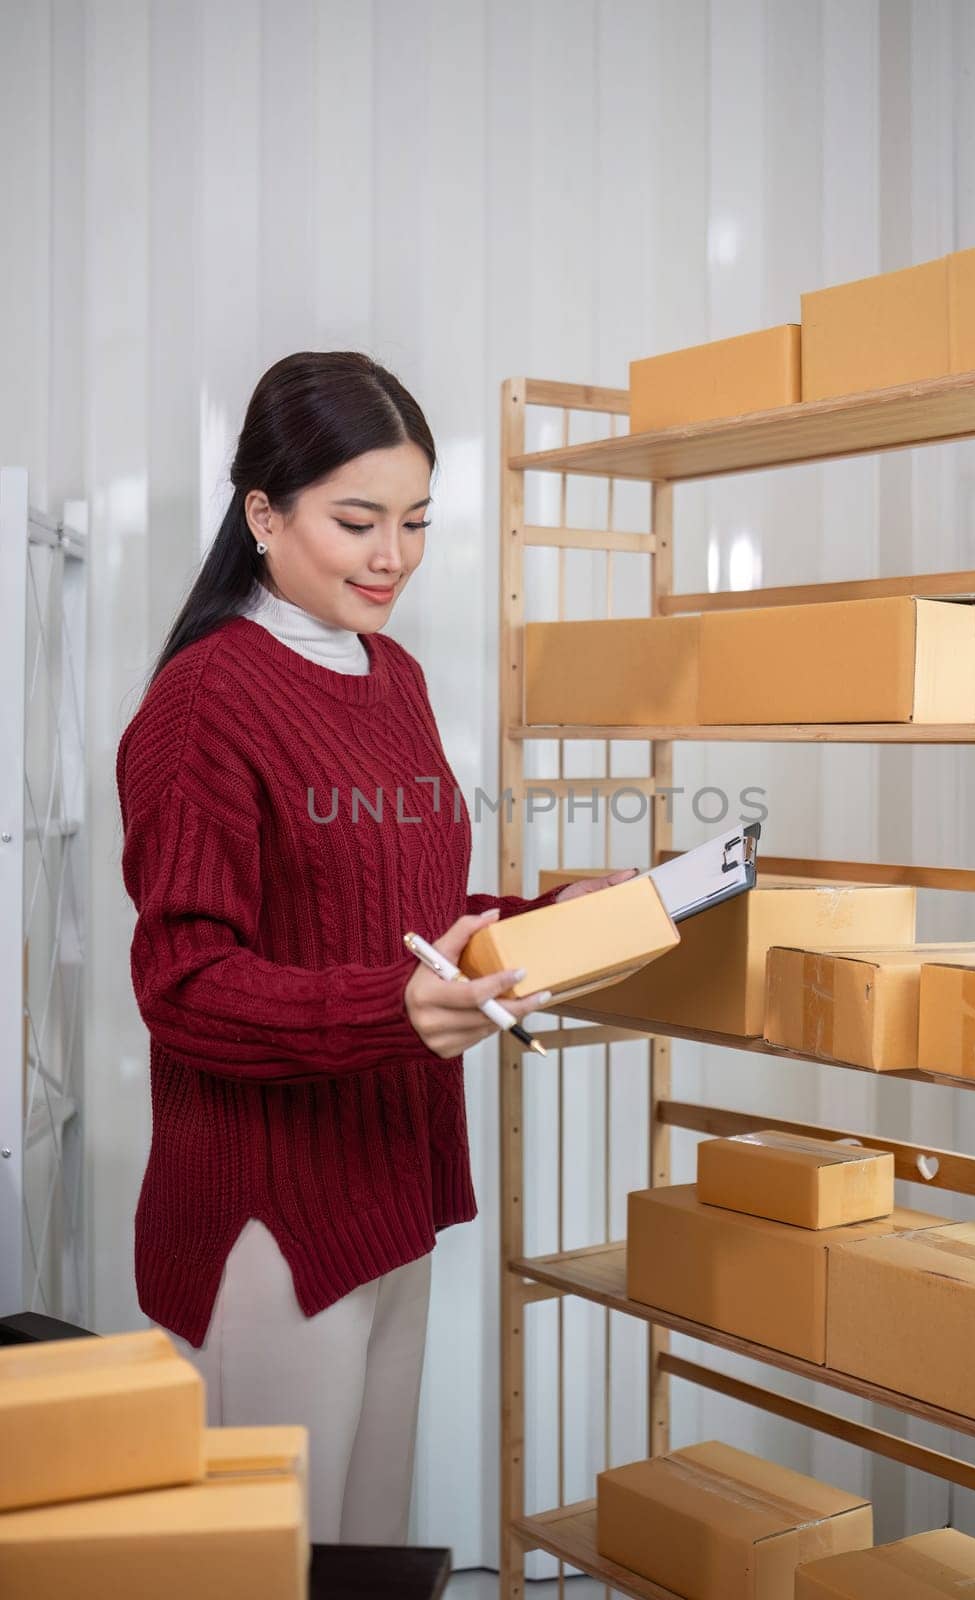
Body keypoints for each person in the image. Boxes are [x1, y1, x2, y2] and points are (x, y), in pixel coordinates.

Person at [114, 350, 636, 1546]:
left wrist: (559, 912)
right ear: (262, 513)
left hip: (387, 1189)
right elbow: (184, 986)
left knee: (366, 1554)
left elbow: (394, 899)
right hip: (269, 1220)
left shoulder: (388, 675)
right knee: (275, 1562)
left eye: (412, 522)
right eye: (356, 521)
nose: (390, 556)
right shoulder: (204, 704)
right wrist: (391, 1011)